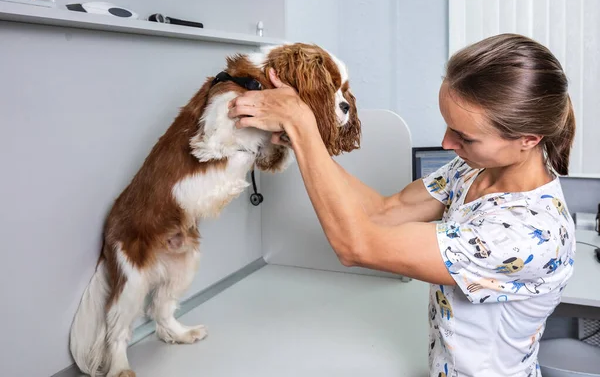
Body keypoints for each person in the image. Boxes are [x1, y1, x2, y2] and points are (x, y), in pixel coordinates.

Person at [228, 33, 576, 377]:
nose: (446, 142)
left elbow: (357, 245)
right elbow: (384, 212)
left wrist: (302, 126)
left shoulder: (528, 233)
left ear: (528, 139)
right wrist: (302, 139)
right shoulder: (474, 168)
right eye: (449, 127)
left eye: (464, 137)